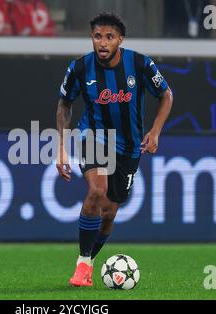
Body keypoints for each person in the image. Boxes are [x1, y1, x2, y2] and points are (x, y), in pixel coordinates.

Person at [56, 12, 173, 287]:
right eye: (98, 36)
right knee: (97, 190)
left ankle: (90, 260)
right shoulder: (80, 68)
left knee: (108, 212)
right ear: (92, 39)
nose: (103, 43)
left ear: (120, 39)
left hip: (130, 147)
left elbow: (166, 95)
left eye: (109, 37)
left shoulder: (140, 64)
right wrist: (61, 148)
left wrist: (155, 131)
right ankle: (83, 264)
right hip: (94, 136)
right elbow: (64, 104)